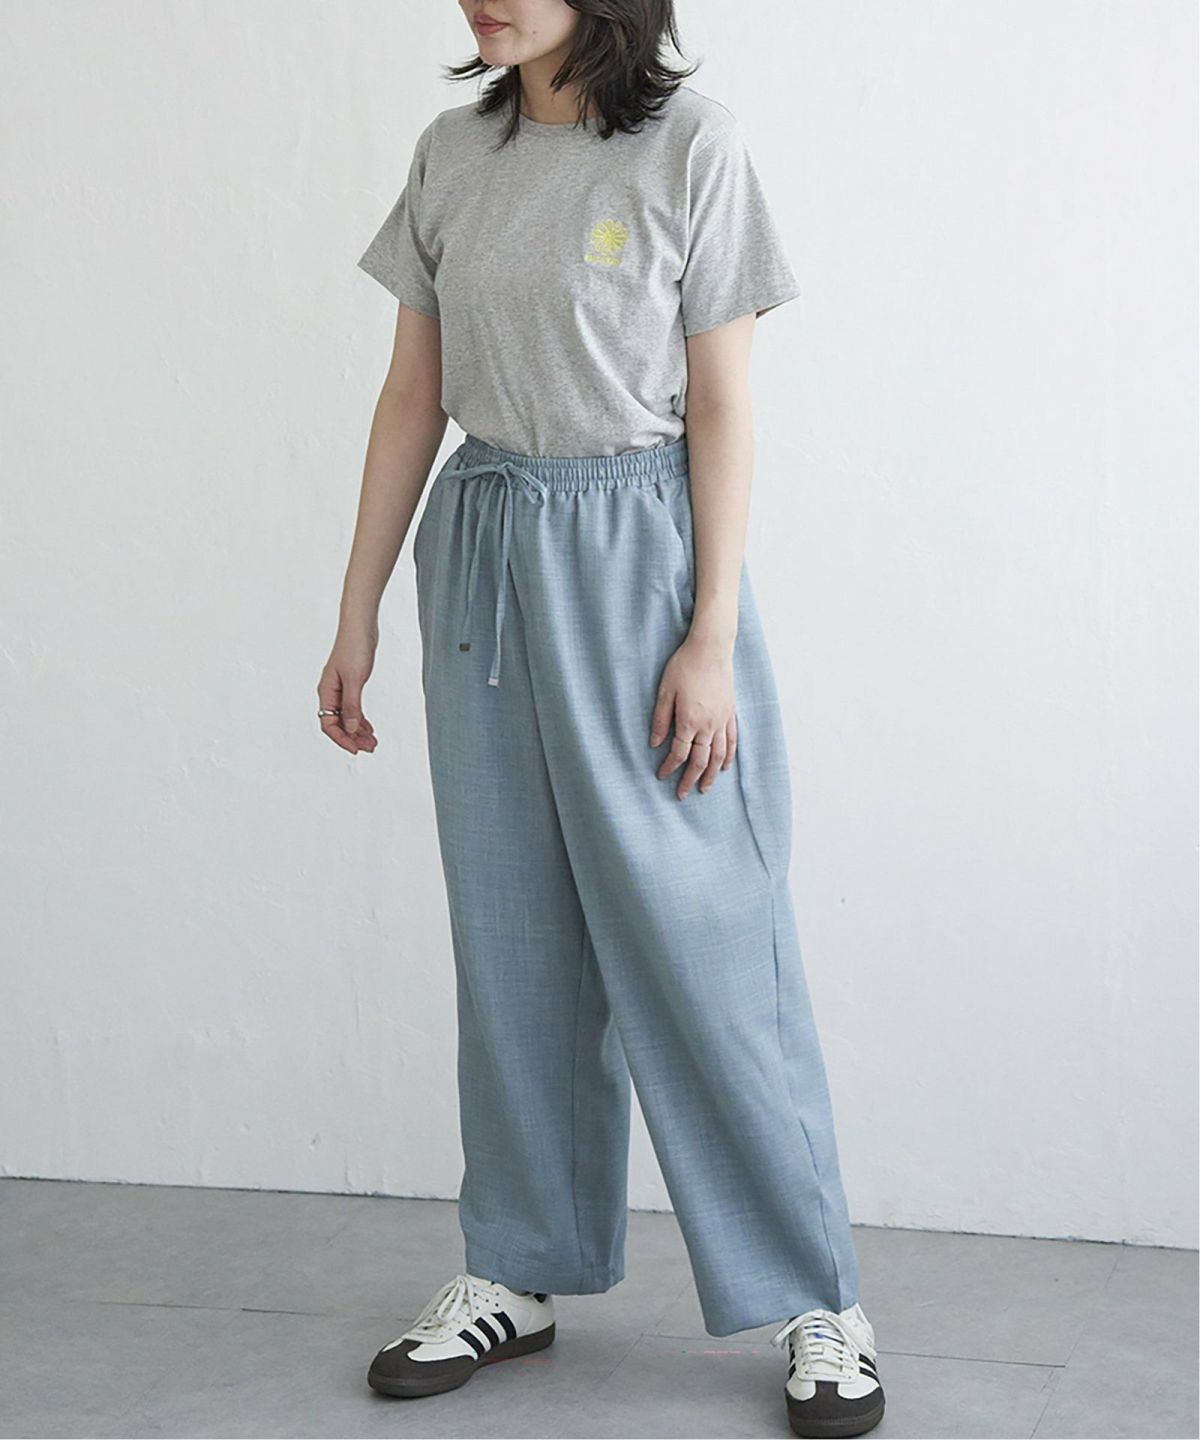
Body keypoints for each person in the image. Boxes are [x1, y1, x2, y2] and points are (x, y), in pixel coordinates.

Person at [322, 2, 885, 1436]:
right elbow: (412, 394)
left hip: (642, 561)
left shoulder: (693, 146)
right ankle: (518, 1265)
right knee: (513, 935)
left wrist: (710, 634)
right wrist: (358, 607)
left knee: (709, 943)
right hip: (484, 556)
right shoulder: (453, 153)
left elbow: (724, 407)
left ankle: (817, 1293)